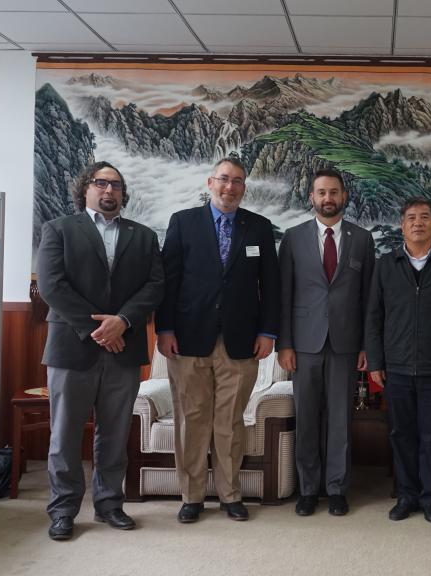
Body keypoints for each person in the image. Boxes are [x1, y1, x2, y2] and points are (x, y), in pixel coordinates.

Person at [36, 161, 164, 541]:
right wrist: (100, 330)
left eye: (117, 185)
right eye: (101, 183)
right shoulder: (58, 229)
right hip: (72, 348)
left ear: (123, 194)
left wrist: (122, 321)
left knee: (115, 433)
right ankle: (63, 511)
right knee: (64, 434)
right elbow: (52, 286)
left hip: (125, 348)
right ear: (86, 189)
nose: (109, 190)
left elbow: (155, 286)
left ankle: (109, 504)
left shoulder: (144, 236)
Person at [155, 157, 280, 523]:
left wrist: (268, 332)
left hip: (241, 342)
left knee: (230, 422)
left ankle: (230, 495)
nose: (230, 187)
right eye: (224, 179)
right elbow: (168, 281)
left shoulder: (258, 227)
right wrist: (164, 329)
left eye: (237, 181)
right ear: (210, 183)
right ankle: (191, 496)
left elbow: (271, 285)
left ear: (244, 188)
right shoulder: (183, 222)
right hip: (188, 339)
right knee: (192, 419)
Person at [365, 197, 431, 524]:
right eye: (411, 217)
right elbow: (373, 316)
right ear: (402, 225)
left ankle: (430, 498)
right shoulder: (387, 264)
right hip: (395, 367)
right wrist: (375, 362)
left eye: (425, 217)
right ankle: (406, 496)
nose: (418, 223)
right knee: (401, 434)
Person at [277, 169, 375, 517]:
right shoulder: (293, 238)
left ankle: (336, 488)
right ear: (312, 197)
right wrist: (284, 344)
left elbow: (369, 298)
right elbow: (284, 295)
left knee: (340, 419)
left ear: (344, 196)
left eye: (334, 192)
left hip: (346, 343)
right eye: (321, 192)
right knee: (306, 417)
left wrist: (366, 345)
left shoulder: (362, 239)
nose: (328, 198)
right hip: (304, 344)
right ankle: (307, 489)